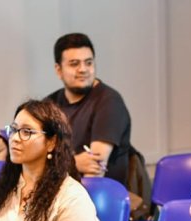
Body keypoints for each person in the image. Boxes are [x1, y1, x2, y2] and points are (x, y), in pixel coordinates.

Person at [45, 33, 133, 186]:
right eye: (74, 64)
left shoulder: (109, 101)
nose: (83, 69)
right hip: (57, 192)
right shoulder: (49, 105)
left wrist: (53, 163)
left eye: (88, 63)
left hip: (97, 197)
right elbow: (32, 160)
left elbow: (95, 170)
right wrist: (73, 162)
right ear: (58, 70)